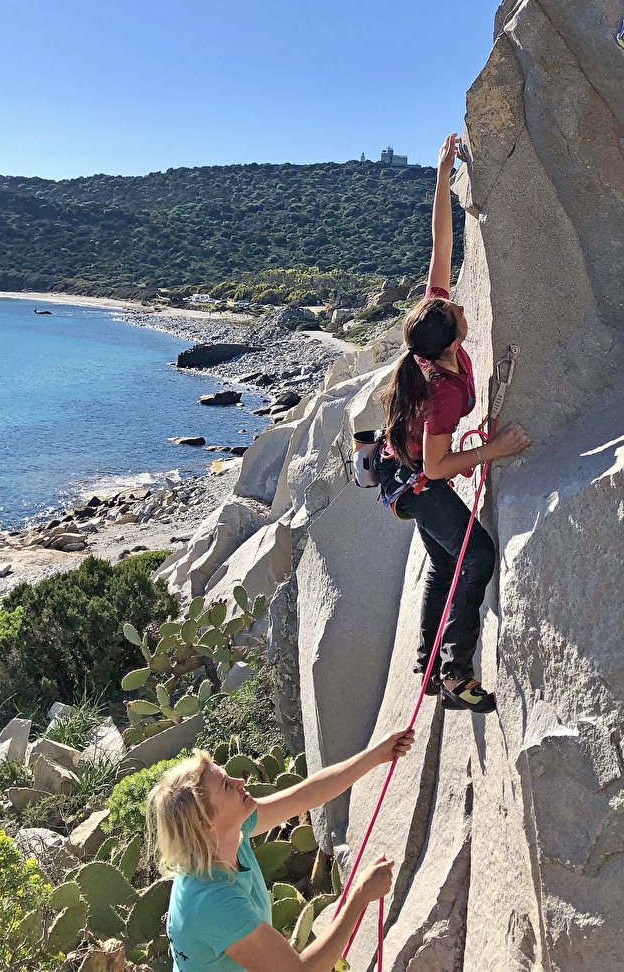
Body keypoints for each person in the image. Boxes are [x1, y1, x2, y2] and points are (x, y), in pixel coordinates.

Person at [379, 132, 530, 713]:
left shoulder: (431, 338)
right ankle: (453, 673)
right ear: (448, 345)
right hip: (419, 483)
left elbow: (442, 243)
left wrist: (443, 173)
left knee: (444, 558)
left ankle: (424, 662)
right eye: (455, 309)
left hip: (409, 474)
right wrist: (499, 448)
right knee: (477, 556)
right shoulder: (440, 392)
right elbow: (439, 464)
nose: (461, 301)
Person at [151, 728, 415, 972]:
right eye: (226, 786)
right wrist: (359, 897)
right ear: (205, 822)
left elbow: (304, 796)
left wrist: (374, 756)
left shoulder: (228, 834)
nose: (239, 781)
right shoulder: (213, 902)